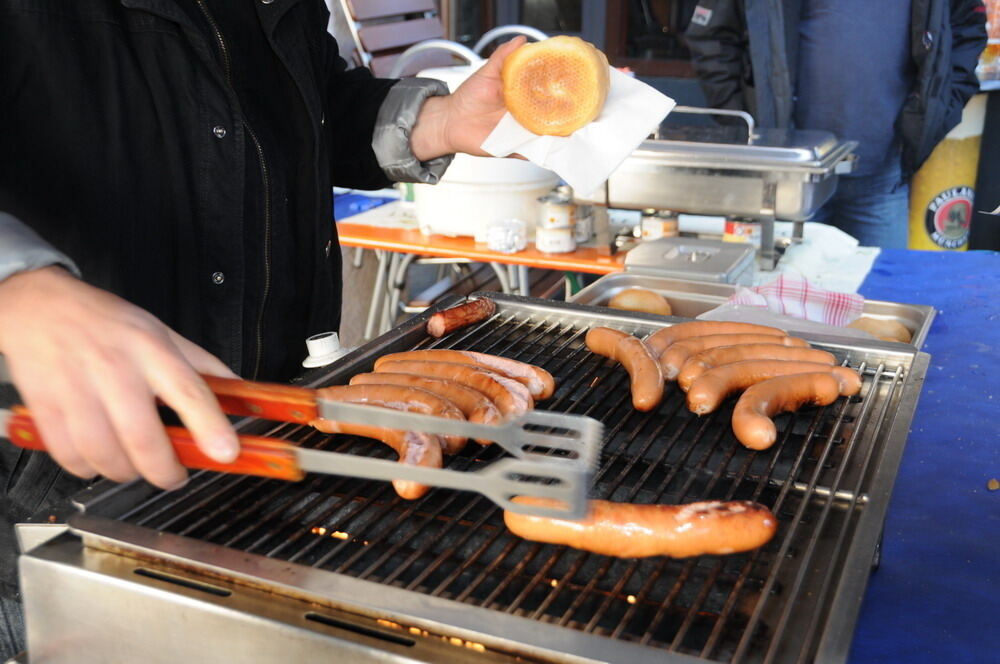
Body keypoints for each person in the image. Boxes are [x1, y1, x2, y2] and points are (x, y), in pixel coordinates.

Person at [0, 1, 522, 656]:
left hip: (257, 453)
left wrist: (440, 120)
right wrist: (16, 288)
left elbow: (304, 111)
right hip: (43, 493)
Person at [685, 0, 987, 248]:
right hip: (789, 180)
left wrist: (936, 114)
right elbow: (711, 39)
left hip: (882, 177)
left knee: (879, 299)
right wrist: (751, 131)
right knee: (783, 310)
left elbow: (966, 29)